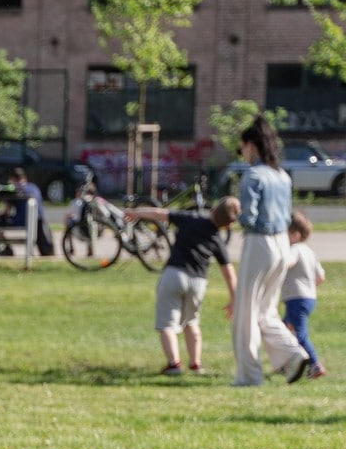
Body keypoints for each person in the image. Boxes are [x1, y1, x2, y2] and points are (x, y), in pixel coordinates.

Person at [230, 119, 306, 387]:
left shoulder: (253, 176)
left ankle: (249, 375)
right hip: (282, 243)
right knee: (267, 310)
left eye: (242, 149)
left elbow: (248, 218)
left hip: (259, 243)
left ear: (251, 145)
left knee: (246, 312)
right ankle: (293, 354)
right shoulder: (282, 175)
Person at [125, 198, 238, 376]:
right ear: (227, 226)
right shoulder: (216, 238)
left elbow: (159, 214)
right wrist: (234, 299)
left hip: (174, 274)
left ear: (213, 209)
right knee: (192, 322)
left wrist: (135, 213)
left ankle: (174, 364)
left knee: (167, 323)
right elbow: (228, 271)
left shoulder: (190, 218)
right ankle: (195, 363)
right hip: (198, 281)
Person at [282, 210, 325, 380]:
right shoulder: (309, 251)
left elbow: (288, 262)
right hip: (308, 298)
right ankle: (286, 363)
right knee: (284, 329)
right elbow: (321, 276)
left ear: (295, 234)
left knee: (300, 334)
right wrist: (309, 288)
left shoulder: (295, 249)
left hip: (296, 299)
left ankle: (315, 365)